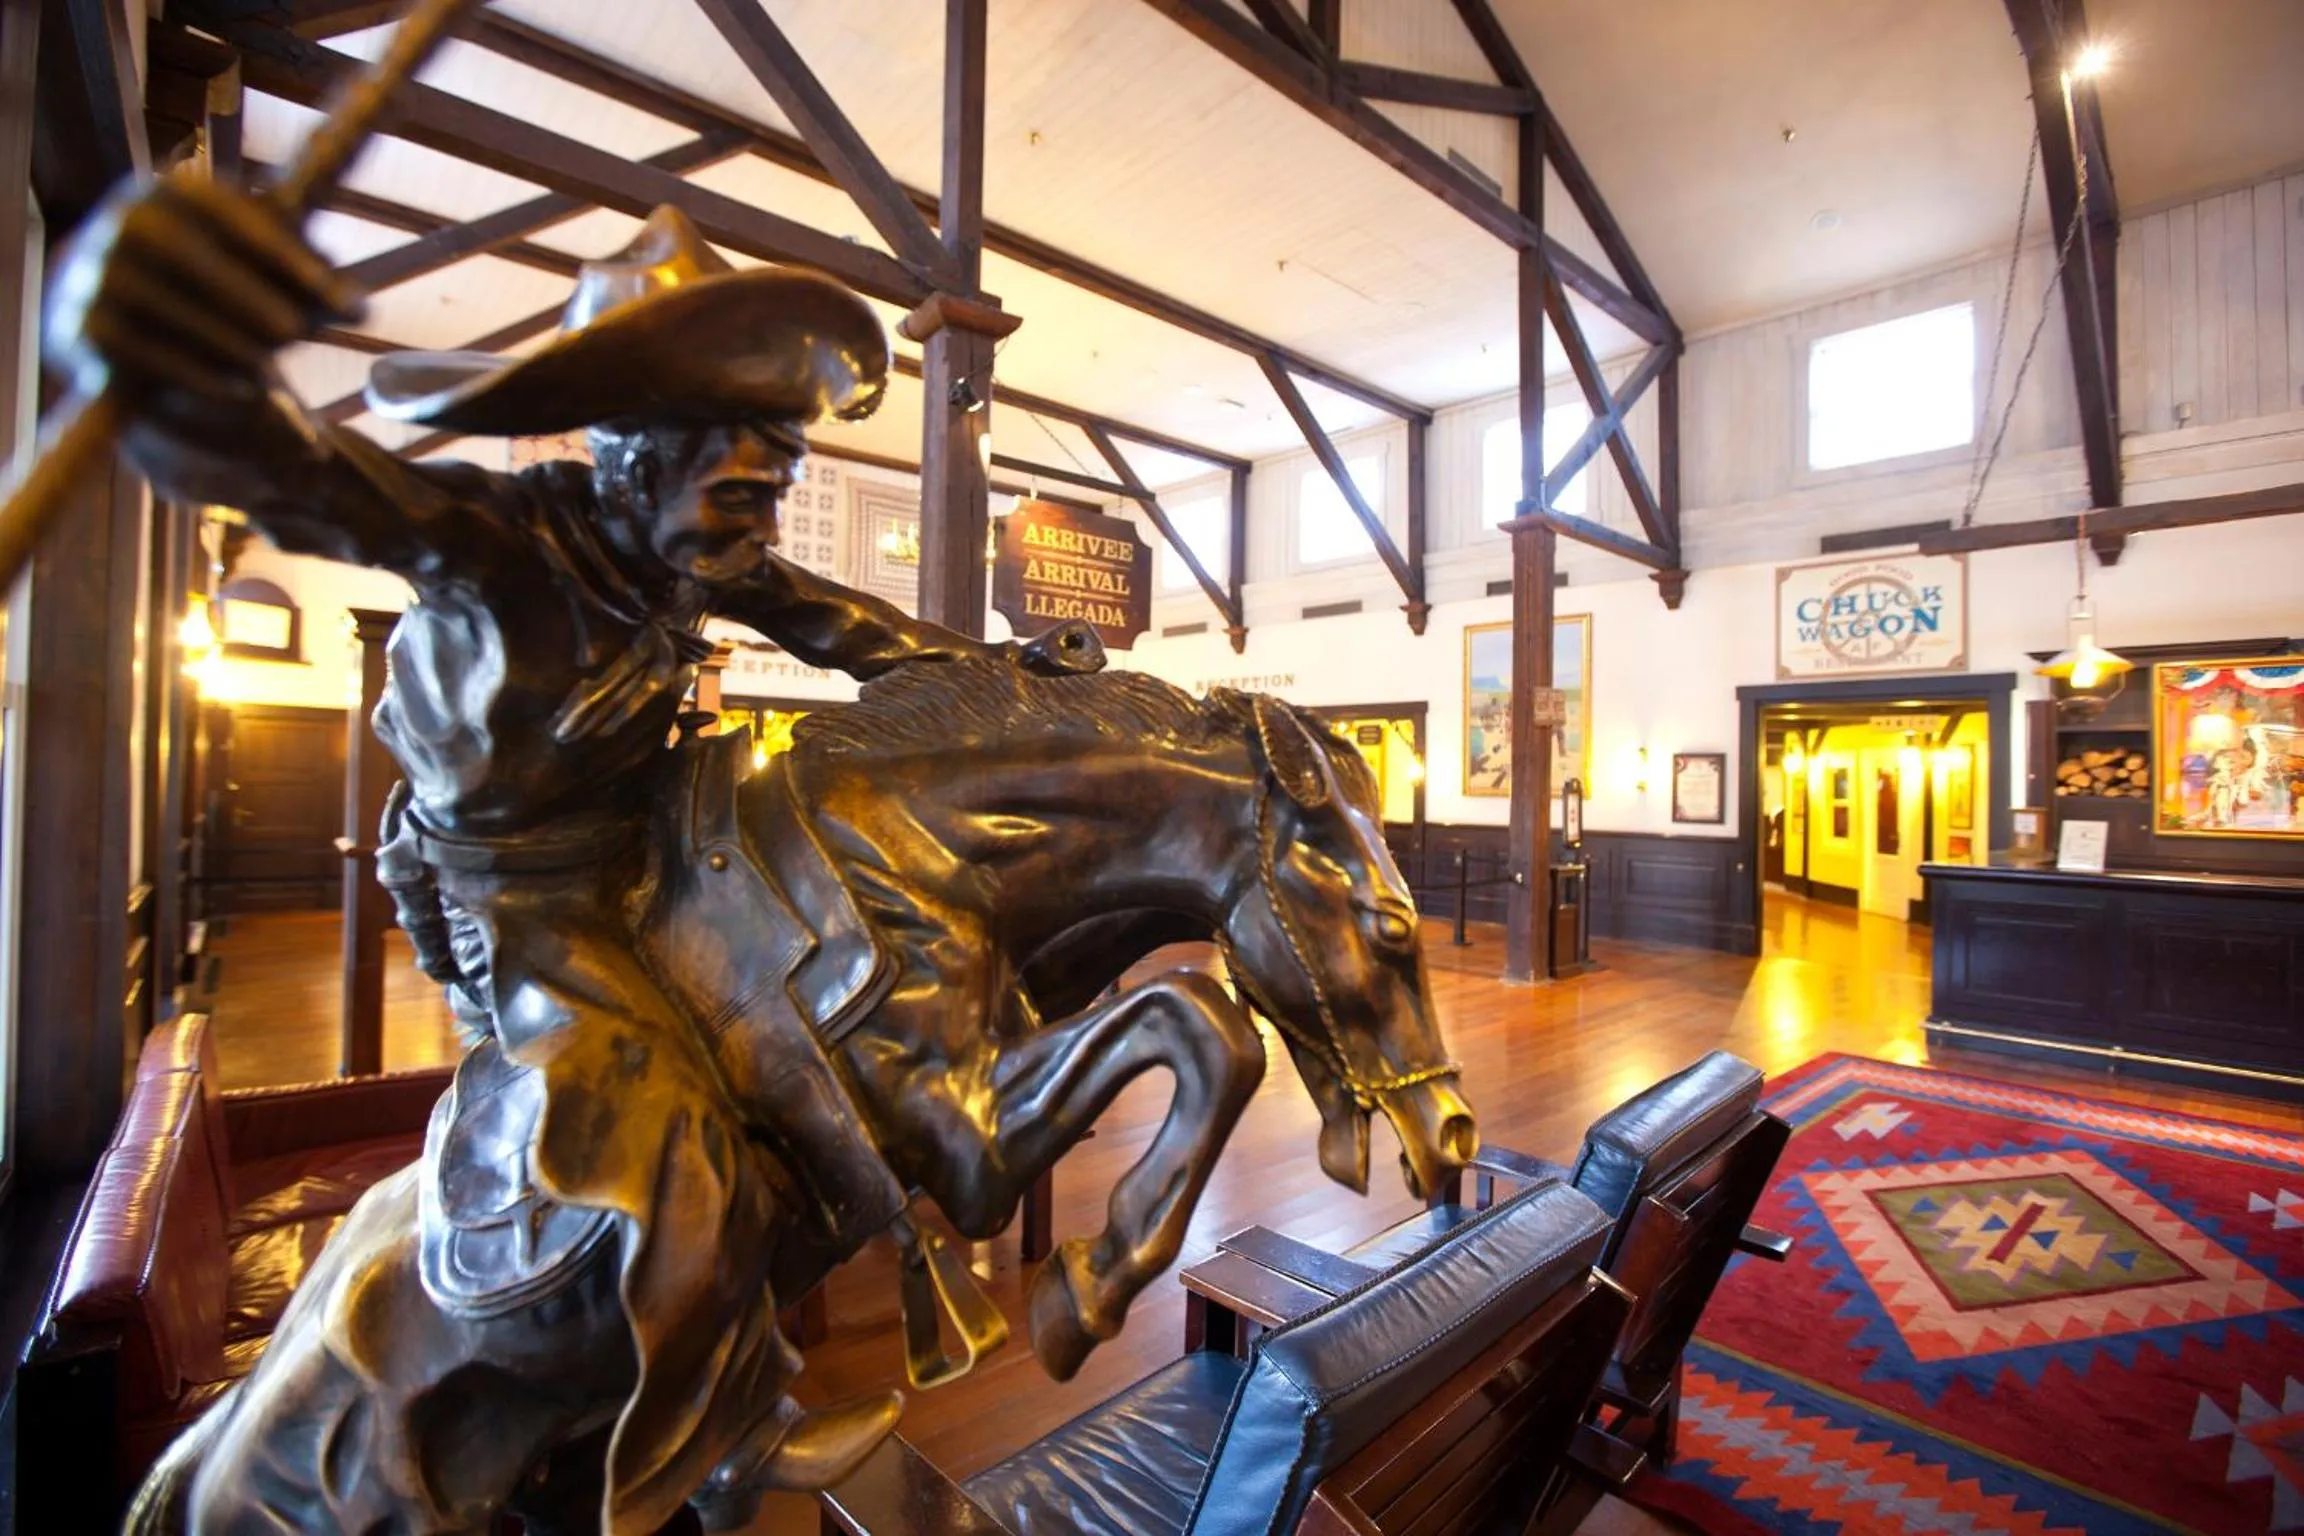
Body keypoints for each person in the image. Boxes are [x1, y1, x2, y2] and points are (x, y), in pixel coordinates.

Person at [49, 178, 1100, 1528]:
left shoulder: (698, 555)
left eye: (774, 489)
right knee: (667, 1132)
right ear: (636, 452)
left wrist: (1021, 680)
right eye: (739, 485)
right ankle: (726, 1433)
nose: (759, 526)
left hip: (651, 845)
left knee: (816, 1004)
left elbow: (851, 629)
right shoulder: (485, 542)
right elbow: (291, 473)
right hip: (509, 896)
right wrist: (147, 337)